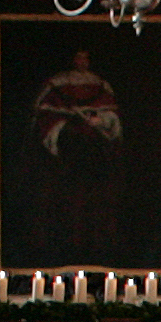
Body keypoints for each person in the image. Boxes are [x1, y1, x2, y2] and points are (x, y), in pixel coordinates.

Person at [29, 48, 125, 259]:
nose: (82, 61)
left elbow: (112, 117)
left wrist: (100, 121)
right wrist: (66, 129)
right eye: (78, 56)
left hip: (94, 159)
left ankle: (97, 245)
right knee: (66, 204)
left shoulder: (100, 85)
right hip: (66, 158)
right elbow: (44, 117)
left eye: (85, 57)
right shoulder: (57, 83)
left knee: (95, 203)